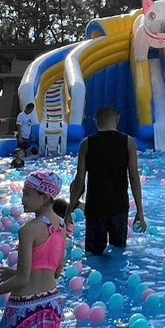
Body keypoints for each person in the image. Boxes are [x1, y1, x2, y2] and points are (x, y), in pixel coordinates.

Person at [0, 169, 68, 328]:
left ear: (45, 198)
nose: (22, 199)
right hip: (51, 307)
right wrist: (16, 273)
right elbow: (55, 271)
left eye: (27, 194)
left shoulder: (28, 230)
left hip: (24, 309)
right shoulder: (61, 225)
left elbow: (23, 280)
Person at [67, 107, 146, 256]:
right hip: (119, 207)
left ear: (97, 122)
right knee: (118, 252)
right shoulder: (128, 142)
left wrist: (69, 210)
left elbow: (79, 181)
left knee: (94, 255)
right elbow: (134, 178)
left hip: (95, 207)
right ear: (117, 121)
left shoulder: (87, 144)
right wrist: (140, 212)